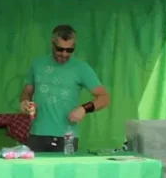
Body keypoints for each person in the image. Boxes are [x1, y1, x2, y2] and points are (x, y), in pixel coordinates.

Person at [19, 24, 110, 152]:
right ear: (52, 44)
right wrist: (24, 101)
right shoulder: (38, 64)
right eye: (60, 49)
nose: (64, 54)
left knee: (66, 172)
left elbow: (104, 98)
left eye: (69, 50)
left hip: (67, 137)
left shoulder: (81, 68)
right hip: (37, 134)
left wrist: (84, 109)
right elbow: (27, 91)